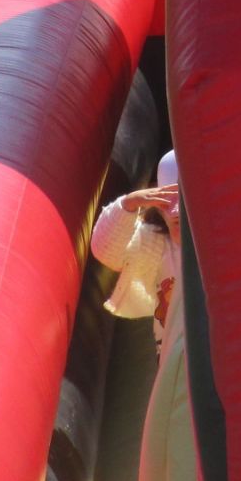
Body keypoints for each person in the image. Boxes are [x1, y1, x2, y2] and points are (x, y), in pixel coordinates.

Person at [90, 148, 181, 346]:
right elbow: (106, 251)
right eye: (176, 221)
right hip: (175, 351)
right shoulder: (157, 245)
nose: (177, 215)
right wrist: (128, 205)